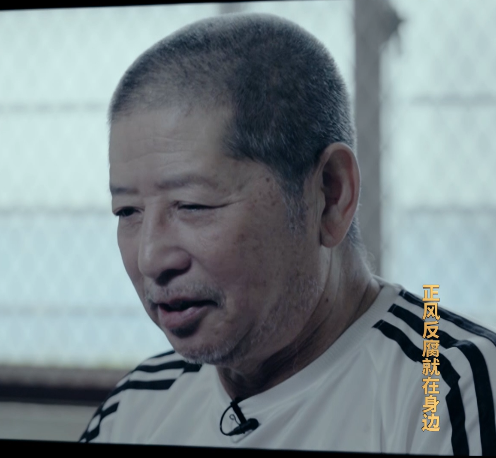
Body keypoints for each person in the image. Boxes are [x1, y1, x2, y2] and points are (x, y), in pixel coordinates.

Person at [79, 12, 495, 454]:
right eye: (127, 211)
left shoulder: (446, 389)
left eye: (193, 205)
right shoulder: (134, 408)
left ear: (330, 195)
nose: (150, 259)